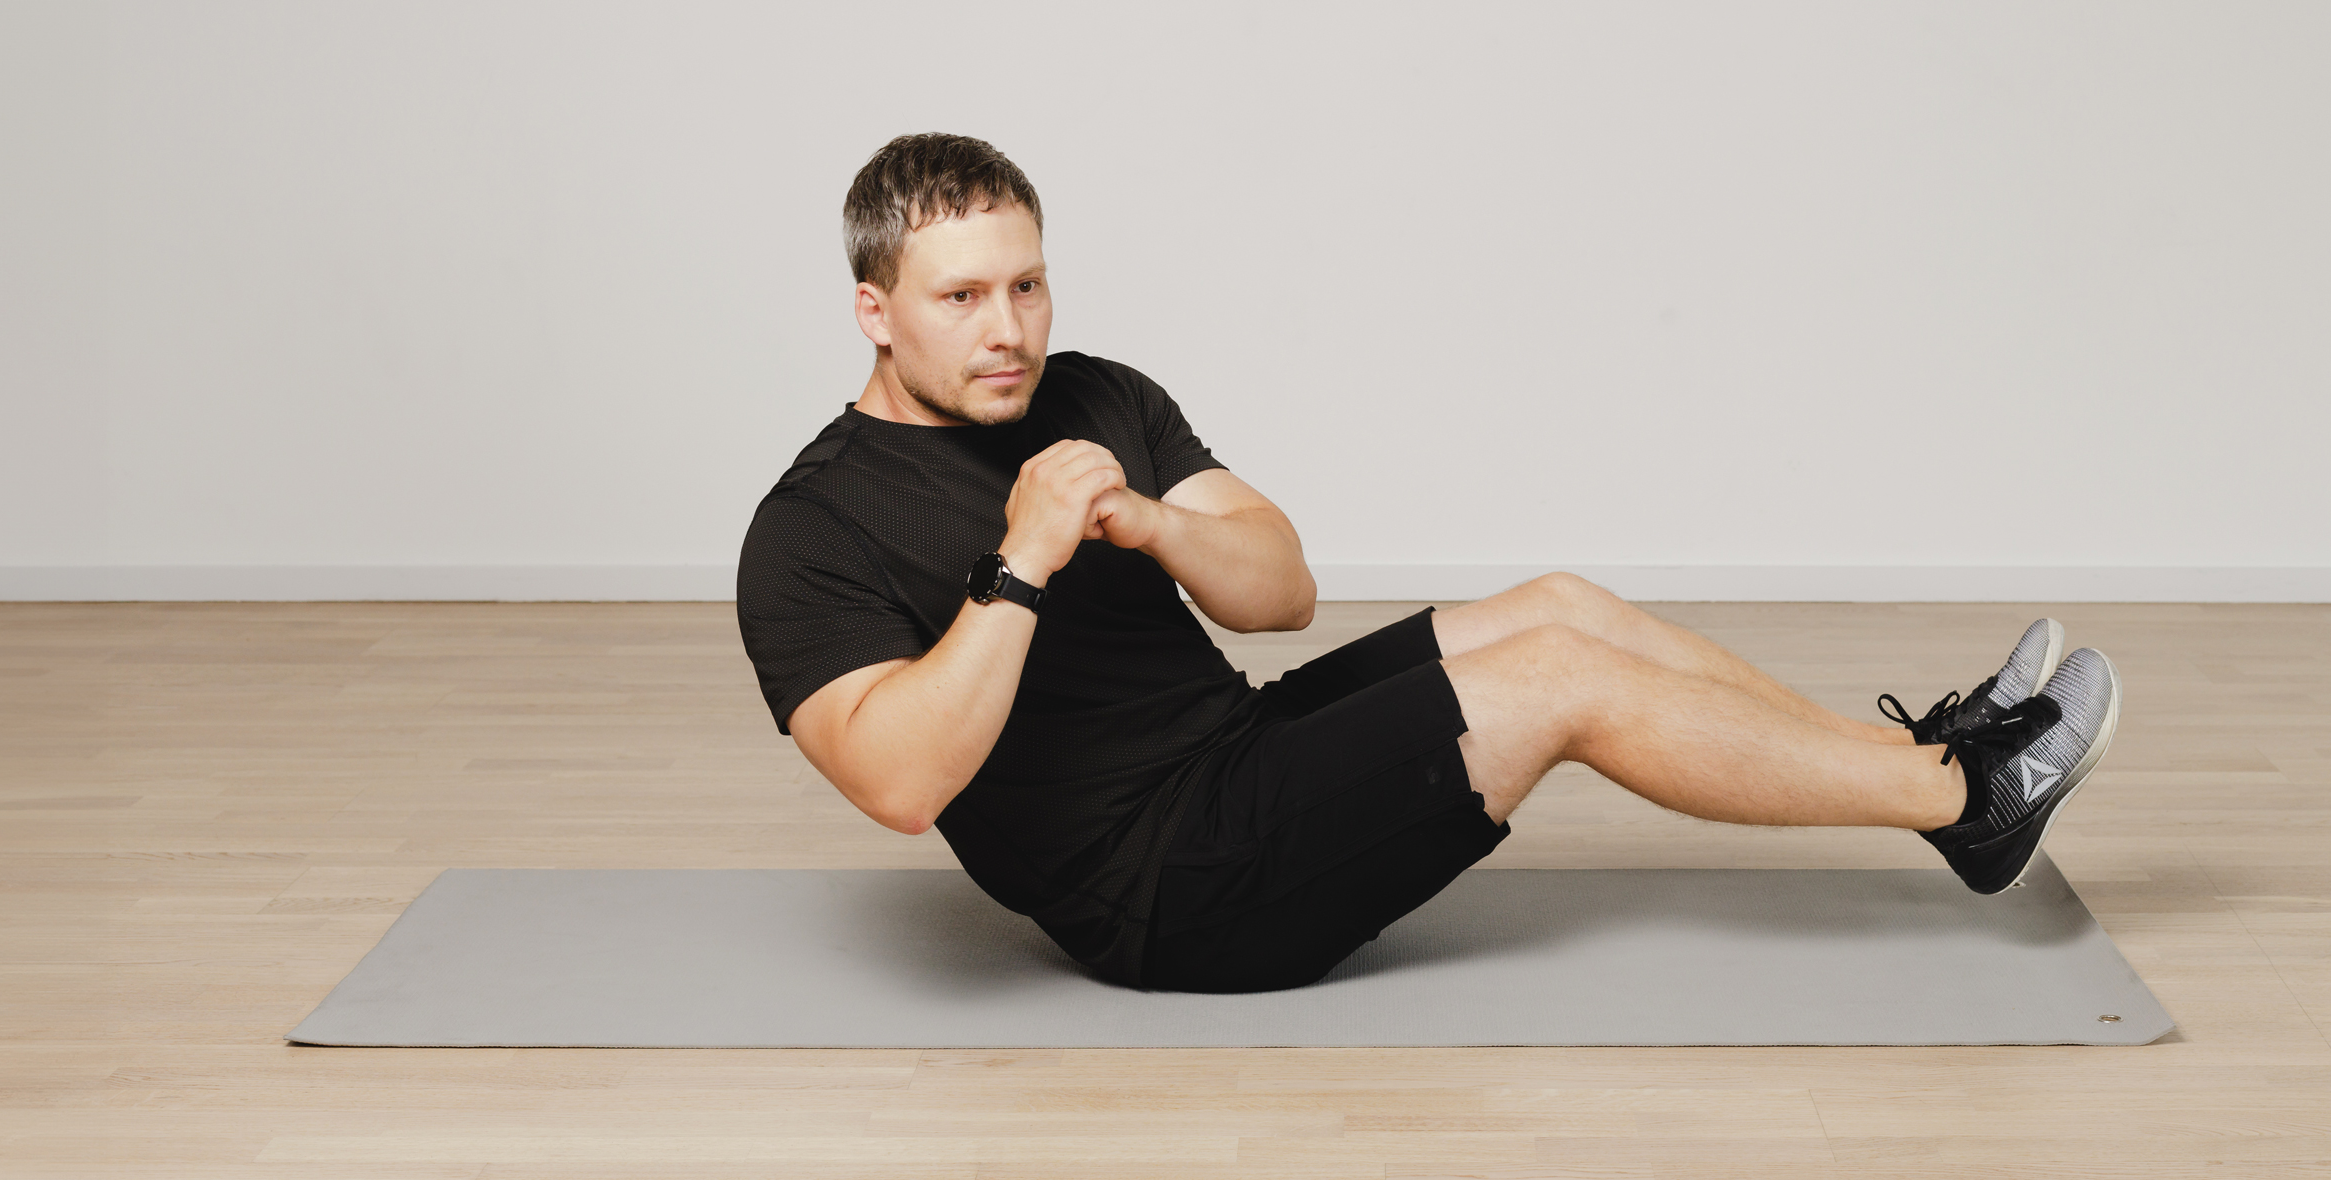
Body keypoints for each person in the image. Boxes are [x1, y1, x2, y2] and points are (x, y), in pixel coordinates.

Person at [737, 133, 2123, 993]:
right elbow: (900, 786)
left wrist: (1157, 527)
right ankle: (1968, 796)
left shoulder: (1096, 394)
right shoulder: (812, 528)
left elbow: (1281, 592)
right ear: (874, 311)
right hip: (1164, 894)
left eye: (1028, 284)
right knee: (1563, 680)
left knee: (1562, 607)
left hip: (1237, 752)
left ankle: (1930, 763)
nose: (1010, 329)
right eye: (962, 297)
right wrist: (1022, 564)